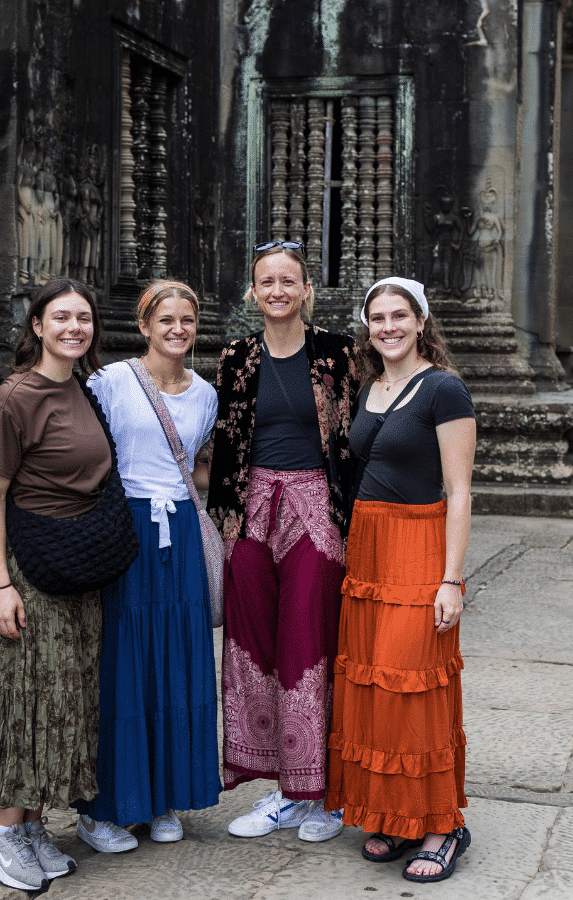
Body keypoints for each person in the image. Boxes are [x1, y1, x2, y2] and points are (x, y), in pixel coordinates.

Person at [206, 240, 360, 843]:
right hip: (249, 512)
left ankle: (320, 793)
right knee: (251, 647)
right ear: (252, 291)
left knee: (308, 643)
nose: (276, 291)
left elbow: (354, 435)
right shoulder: (236, 357)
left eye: (287, 281)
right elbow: (223, 442)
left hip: (316, 510)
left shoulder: (335, 354)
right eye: (265, 281)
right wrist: (225, 524)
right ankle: (281, 790)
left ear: (305, 290)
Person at [325, 276, 476, 884]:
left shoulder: (443, 389)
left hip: (418, 546)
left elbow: (460, 491)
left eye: (399, 317)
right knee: (376, 687)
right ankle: (395, 813)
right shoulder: (372, 386)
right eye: (378, 318)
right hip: (370, 546)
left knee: (414, 682)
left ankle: (443, 825)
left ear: (421, 323)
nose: (387, 327)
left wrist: (452, 580)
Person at [0, 277, 109, 892]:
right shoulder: (13, 400)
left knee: (64, 699)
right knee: (25, 695)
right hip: (29, 567)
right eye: (61, 318)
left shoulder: (81, 388)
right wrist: (0, 585)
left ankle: (31, 826)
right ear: (37, 326)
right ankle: (1, 833)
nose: (74, 327)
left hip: (76, 565)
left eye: (83, 318)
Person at [74, 280, 222, 851]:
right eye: (166, 321)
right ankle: (105, 808)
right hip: (126, 528)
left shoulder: (205, 394)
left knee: (179, 660)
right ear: (144, 326)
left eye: (187, 320)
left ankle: (163, 798)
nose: (178, 330)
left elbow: (197, 468)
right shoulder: (110, 382)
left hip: (180, 531)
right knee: (125, 663)